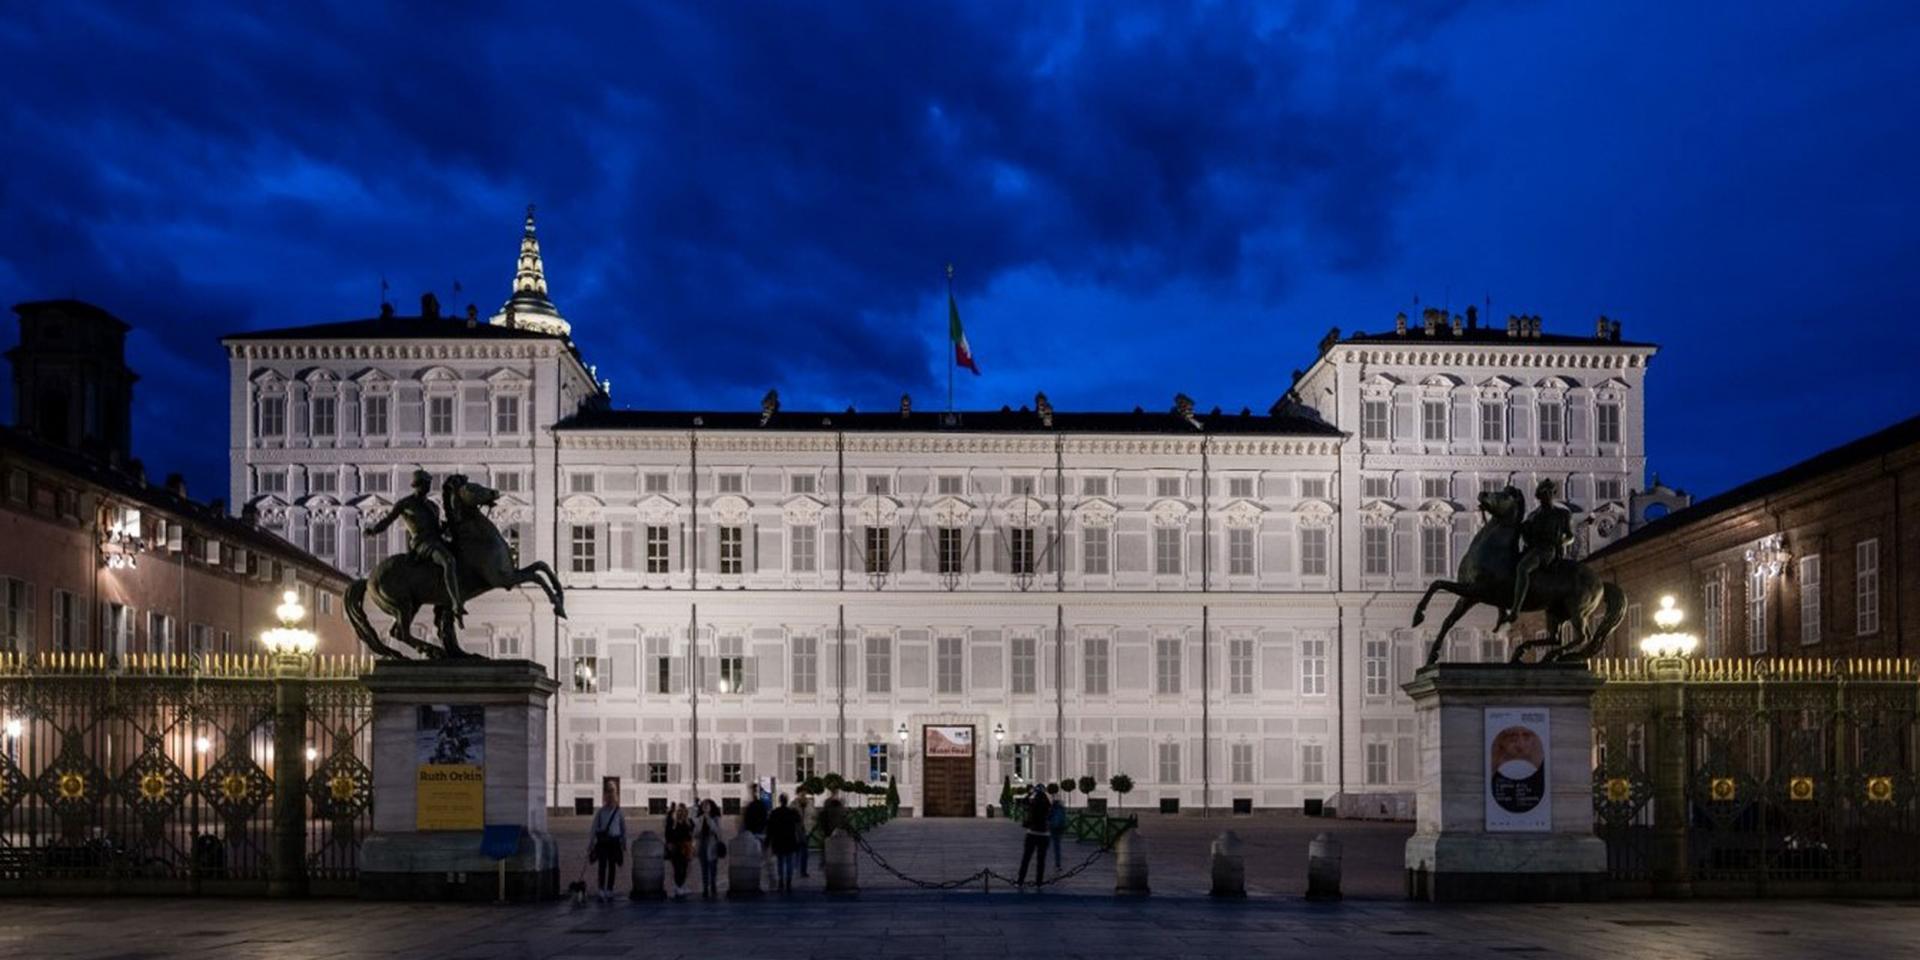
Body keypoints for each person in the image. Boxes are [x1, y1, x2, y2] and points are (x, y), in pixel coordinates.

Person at [364, 468, 467, 622]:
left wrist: (449, 526)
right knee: (448, 561)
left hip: (436, 540)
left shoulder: (433, 506)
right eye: (426, 484)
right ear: (418, 485)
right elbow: (388, 520)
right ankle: (456, 603)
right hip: (422, 543)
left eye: (429, 484)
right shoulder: (406, 503)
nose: (428, 487)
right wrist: (374, 531)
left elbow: (438, 529)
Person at [1502, 478, 1575, 627]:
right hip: (1533, 549)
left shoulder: (1562, 514)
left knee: (1522, 568)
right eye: (1543, 493)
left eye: (1549, 492)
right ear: (1539, 495)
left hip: (1548, 550)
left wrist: (1561, 542)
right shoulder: (1533, 516)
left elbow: (1570, 536)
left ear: (1553, 494)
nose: (1546, 495)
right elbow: (1522, 531)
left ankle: (1515, 609)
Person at [587, 780, 627, 901]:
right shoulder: (601, 811)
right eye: (608, 791)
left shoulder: (619, 811)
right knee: (602, 865)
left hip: (614, 841)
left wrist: (624, 842)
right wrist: (591, 843)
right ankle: (601, 889)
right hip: (603, 842)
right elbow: (594, 827)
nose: (610, 795)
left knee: (612, 866)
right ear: (605, 795)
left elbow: (623, 827)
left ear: (615, 794)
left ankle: (609, 889)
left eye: (612, 791)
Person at [1015, 783, 1052, 888]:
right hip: (1044, 834)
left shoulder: (1033, 802)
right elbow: (1050, 812)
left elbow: (1023, 802)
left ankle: (1020, 880)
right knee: (1041, 860)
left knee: (1026, 858)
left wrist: (1030, 793)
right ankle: (1039, 882)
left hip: (1032, 833)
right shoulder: (1047, 803)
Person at [766, 793, 803, 891]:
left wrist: (768, 841)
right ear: (787, 801)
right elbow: (798, 825)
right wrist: (800, 838)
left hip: (778, 840)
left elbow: (770, 829)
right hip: (790, 839)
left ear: (780, 801)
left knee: (780, 861)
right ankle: (788, 881)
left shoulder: (775, 813)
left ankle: (781, 880)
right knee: (789, 861)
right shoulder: (792, 812)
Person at [741, 785, 771, 887]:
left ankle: (756, 881)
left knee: (755, 859)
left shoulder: (751, 806)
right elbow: (766, 819)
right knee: (765, 859)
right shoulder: (762, 805)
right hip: (760, 833)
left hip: (754, 834)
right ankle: (769, 879)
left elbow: (746, 822)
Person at [696, 799, 725, 899]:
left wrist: (709, 819)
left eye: (707, 805)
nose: (705, 807)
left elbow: (718, 831)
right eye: (703, 806)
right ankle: (705, 888)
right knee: (703, 868)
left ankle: (713, 886)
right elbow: (695, 832)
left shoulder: (716, 818)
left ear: (711, 807)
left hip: (712, 845)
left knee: (713, 868)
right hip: (702, 844)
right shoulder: (699, 818)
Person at [663, 803, 694, 900]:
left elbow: (692, 831)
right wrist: (669, 844)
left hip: (686, 847)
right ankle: (678, 886)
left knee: (685, 867)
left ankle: (681, 885)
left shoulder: (688, 821)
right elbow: (668, 834)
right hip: (676, 847)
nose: (681, 813)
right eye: (679, 811)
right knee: (677, 868)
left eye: (683, 811)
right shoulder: (672, 822)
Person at [1046, 782, 1068, 870]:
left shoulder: (1049, 799)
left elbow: (1049, 812)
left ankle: (1040, 860)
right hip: (1059, 826)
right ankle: (1058, 863)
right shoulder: (1060, 799)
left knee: (1045, 844)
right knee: (1057, 845)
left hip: (1052, 825)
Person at [793, 790, 814, 877]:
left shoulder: (809, 803)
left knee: (805, 852)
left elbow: (813, 815)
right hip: (796, 831)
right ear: (798, 794)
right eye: (801, 794)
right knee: (797, 851)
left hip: (806, 830)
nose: (803, 795)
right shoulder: (793, 804)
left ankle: (803, 871)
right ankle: (796, 869)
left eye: (804, 794)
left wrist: (811, 825)